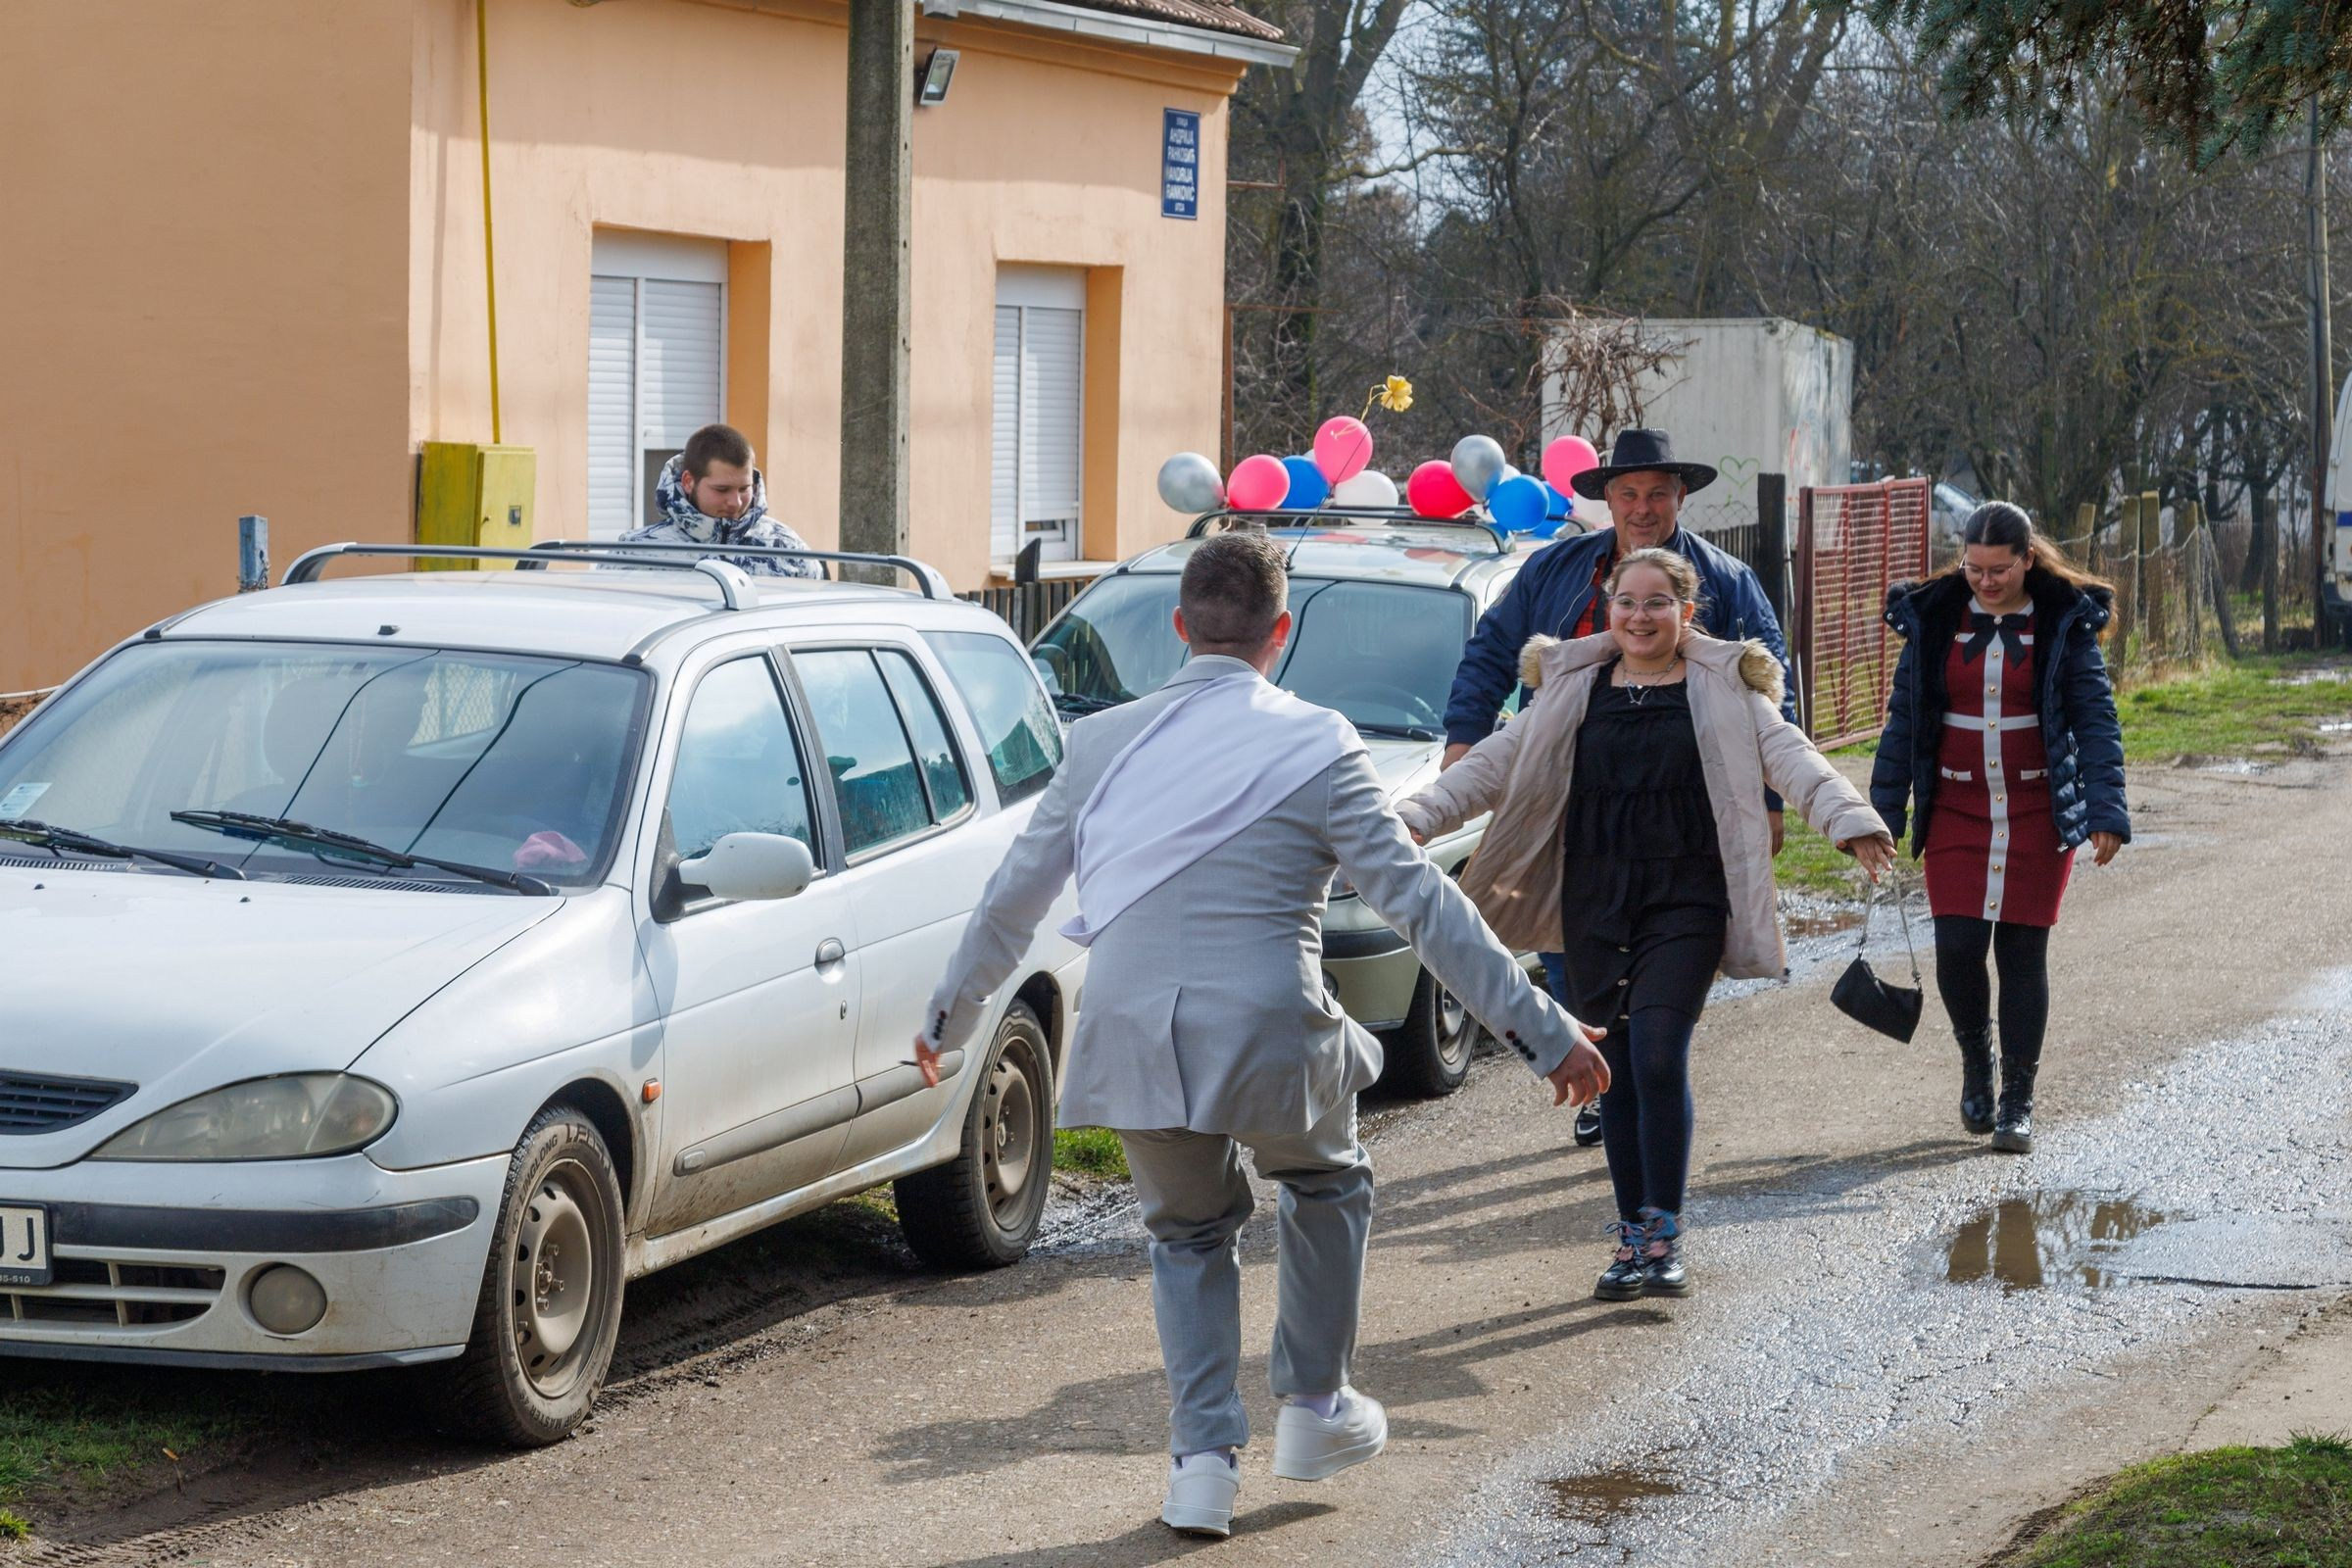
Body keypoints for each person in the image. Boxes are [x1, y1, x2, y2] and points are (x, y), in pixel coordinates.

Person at [912, 528, 1608, 1540]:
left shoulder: (1099, 742)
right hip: (1275, 1033)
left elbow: (1012, 900)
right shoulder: (1321, 739)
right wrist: (1542, 1029)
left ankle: (1200, 1466)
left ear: (1176, 626)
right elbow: (1421, 905)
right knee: (1327, 1182)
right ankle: (1316, 1406)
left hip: (1132, 1035)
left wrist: (949, 1014)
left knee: (1189, 1235)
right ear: (1281, 633)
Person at [1400, 548, 1892, 1300]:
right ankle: (1634, 1240)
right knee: (1616, 1072)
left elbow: (1793, 757)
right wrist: (1414, 818)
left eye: (1658, 602)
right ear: (1608, 609)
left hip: (1686, 896)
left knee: (1659, 1053)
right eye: (1626, 602)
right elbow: (1491, 765)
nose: (1640, 615)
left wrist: (1849, 820)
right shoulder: (1569, 689)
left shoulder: (1724, 686)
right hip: (1595, 900)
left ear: (1686, 613)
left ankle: (1663, 1239)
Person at [1439, 427, 1798, 1147]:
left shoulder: (1726, 583)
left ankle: (1643, 1072)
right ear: (1607, 500)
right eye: (1627, 494)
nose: (1642, 507)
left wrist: (1768, 796)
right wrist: (1463, 738)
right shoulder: (1554, 571)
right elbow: (1490, 652)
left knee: (1665, 956)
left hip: (1680, 807)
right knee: (1576, 944)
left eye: (1656, 494)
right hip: (1572, 798)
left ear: (1680, 498)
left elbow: (1772, 690)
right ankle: (1603, 1072)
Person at [1872, 502, 2128, 1153]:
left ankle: (2017, 1099)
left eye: (1998, 570)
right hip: (1957, 808)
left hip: (2038, 812)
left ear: (2027, 561)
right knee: (1957, 947)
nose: (1985, 582)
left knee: (2020, 955)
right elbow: (1904, 719)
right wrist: (1880, 812)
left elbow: (2095, 720)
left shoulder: (2063, 623)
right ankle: (1975, 1063)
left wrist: (2106, 810)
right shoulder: (1933, 619)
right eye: (1974, 569)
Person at [622, 421, 820, 577]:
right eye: (722, 489)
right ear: (689, 481)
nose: (736, 502)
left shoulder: (789, 549)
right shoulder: (636, 555)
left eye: (744, 488)